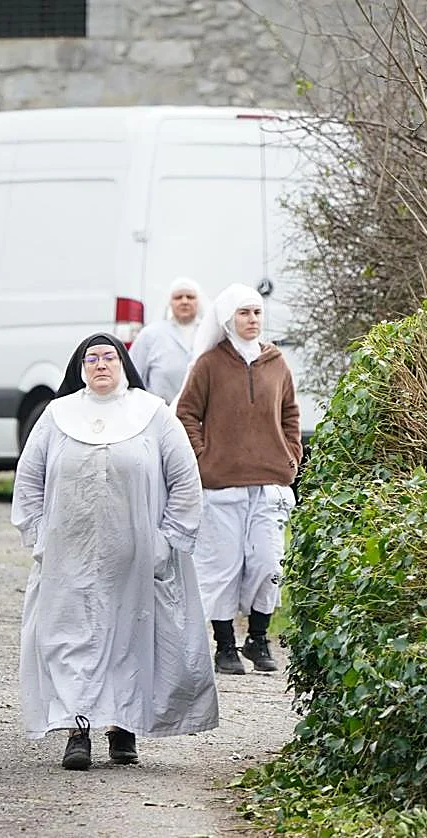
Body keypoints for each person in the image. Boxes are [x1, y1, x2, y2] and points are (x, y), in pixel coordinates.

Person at [11, 332, 218, 770]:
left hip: (137, 557)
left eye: (109, 357)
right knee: (70, 639)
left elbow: (185, 482)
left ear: (124, 363)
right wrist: (38, 536)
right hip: (69, 556)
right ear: (81, 368)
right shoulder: (56, 416)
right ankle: (77, 729)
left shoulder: (154, 415)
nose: (101, 365)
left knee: (128, 640)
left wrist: (167, 542)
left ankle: (123, 727)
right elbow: (29, 481)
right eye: (92, 359)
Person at [175, 284, 301, 676]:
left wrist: (290, 455)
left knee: (267, 561)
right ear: (228, 318)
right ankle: (225, 645)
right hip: (221, 486)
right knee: (222, 566)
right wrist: (203, 458)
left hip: (269, 484)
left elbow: (290, 414)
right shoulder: (210, 364)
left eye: (257, 313)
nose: (252, 320)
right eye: (244, 313)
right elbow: (186, 413)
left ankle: (259, 638)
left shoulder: (276, 363)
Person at [128, 277, 206, 404]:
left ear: (199, 301)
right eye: (178, 297)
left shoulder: (208, 333)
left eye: (190, 297)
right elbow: (133, 374)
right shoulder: (150, 334)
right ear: (170, 302)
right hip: (160, 414)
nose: (184, 301)